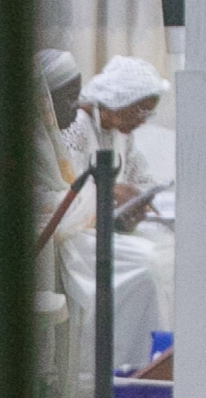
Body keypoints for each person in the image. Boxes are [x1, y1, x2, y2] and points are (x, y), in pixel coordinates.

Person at [59, 56, 172, 370]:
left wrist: (137, 200)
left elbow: (140, 177)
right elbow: (66, 194)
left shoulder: (122, 133)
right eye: (140, 109)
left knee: (168, 254)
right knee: (148, 266)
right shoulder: (76, 128)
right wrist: (108, 194)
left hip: (109, 225)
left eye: (149, 111)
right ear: (117, 99)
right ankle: (127, 365)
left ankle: (156, 362)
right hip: (76, 236)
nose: (143, 120)